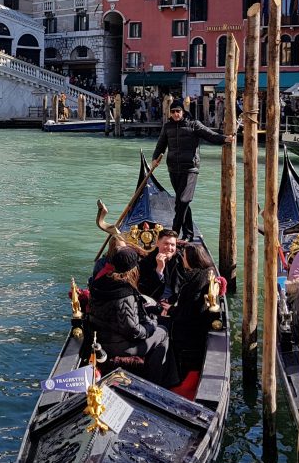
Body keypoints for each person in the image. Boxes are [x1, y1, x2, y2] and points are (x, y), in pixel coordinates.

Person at [87, 247, 178, 386]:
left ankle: (165, 378)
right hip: (118, 346)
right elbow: (133, 331)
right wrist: (152, 325)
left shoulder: (99, 283)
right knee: (163, 332)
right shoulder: (124, 294)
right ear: (133, 268)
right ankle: (155, 383)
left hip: (101, 338)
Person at [151, 98, 234, 240]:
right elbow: (161, 145)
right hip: (173, 169)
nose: (175, 114)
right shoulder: (167, 127)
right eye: (173, 112)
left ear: (183, 111)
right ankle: (188, 234)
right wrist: (154, 159)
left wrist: (224, 139)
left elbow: (210, 135)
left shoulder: (194, 124)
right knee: (181, 202)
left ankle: (174, 232)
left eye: (178, 111)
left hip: (190, 169)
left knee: (183, 201)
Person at [137, 229, 187, 313]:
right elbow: (145, 290)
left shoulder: (181, 260)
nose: (169, 248)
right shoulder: (146, 262)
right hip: (153, 301)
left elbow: (184, 285)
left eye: (172, 245)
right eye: (166, 244)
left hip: (175, 302)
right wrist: (159, 271)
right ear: (157, 243)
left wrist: (171, 304)